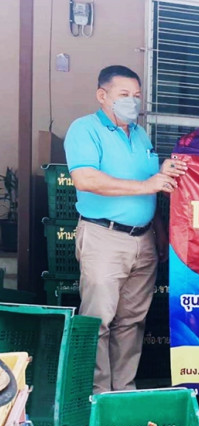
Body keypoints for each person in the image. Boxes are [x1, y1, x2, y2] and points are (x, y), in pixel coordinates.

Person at [64, 65, 185, 394]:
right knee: (98, 321)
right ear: (102, 95)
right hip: (104, 237)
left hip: (143, 239)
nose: (132, 101)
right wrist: (148, 184)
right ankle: (98, 395)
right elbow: (86, 179)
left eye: (136, 95)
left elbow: (151, 188)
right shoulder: (85, 129)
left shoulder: (141, 135)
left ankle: (123, 391)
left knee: (132, 321)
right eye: (124, 95)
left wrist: (158, 231)